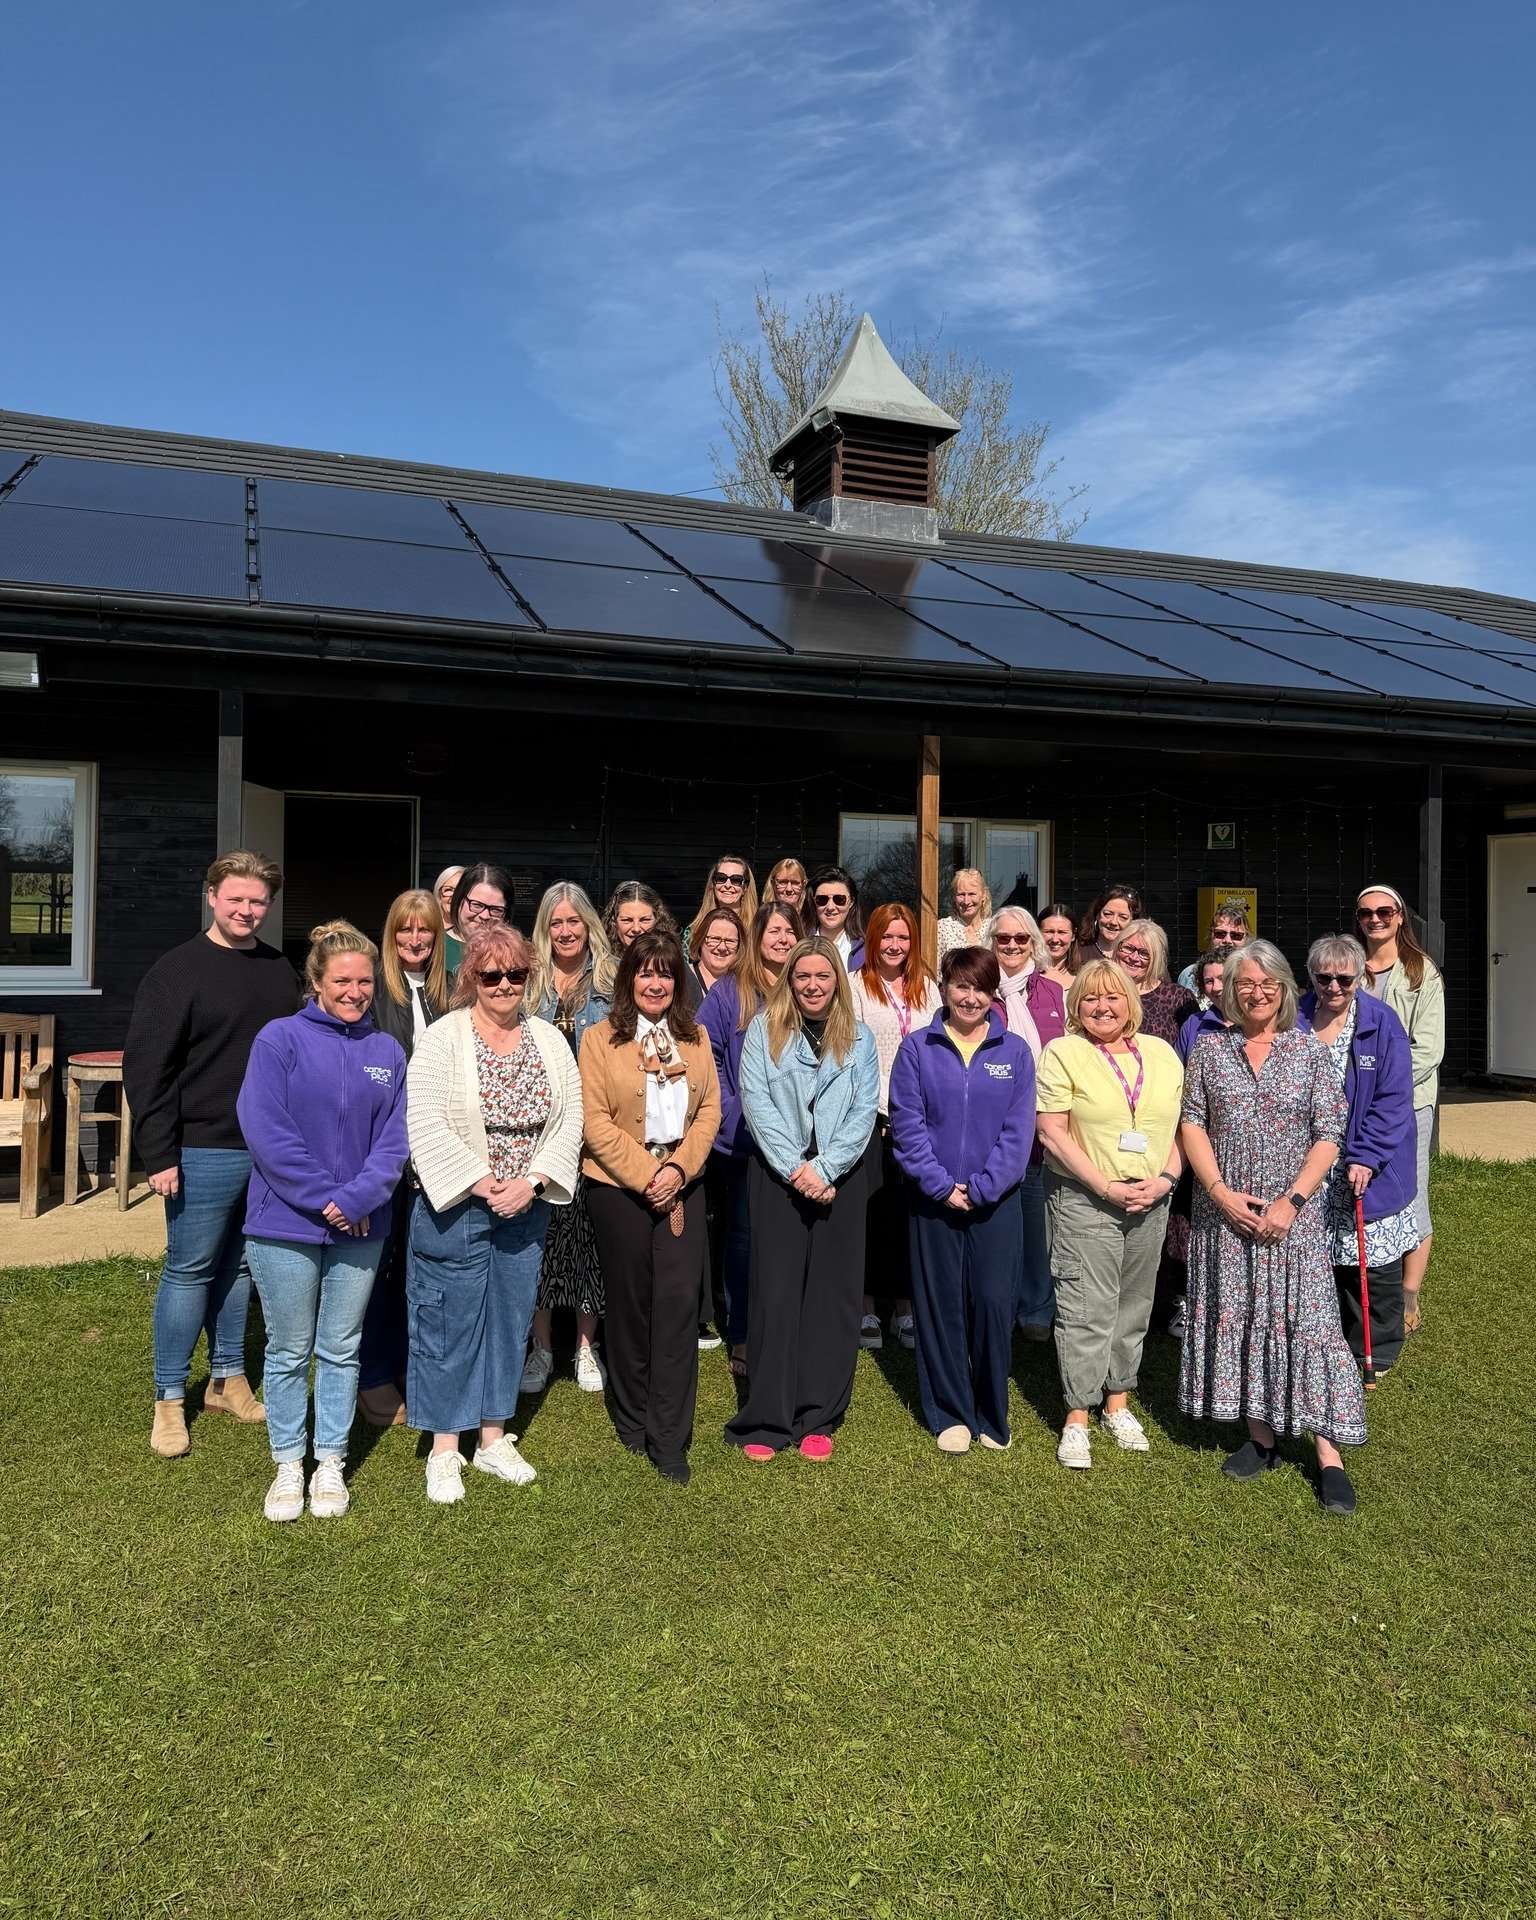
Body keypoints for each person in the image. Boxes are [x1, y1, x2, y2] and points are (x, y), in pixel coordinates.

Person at [125, 849, 301, 1460]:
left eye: (258, 901)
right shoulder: (177, 971)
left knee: (241, 1268)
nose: (247, 910)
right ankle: (169, 1397)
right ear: (212, 897)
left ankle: (227, 1380)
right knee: (189, 1271)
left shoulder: (281, 971)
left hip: (267, 1150)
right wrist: (159, 1153)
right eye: (237, 899)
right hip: (201, 1147)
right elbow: (148, 1068)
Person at [1178, 940, 1363, 1515]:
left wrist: (1292, 1201)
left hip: (1294, 1216)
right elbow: (1192, 1126)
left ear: (1284, 991)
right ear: (1228, 991)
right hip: (1224, 1211)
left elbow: (1328, 1135)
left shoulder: (1309, 1051)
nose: (1256, 994)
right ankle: (1261, 1438)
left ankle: (1328, 1454)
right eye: (1245, 984)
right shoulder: (1209, 1051)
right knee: (1242, 1315)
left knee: (1308, 1321)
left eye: (1268, 984)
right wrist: (1219, 1194)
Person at [404, 923, 584, 1505]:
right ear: (471, 977)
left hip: (525, 1206)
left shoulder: (550, 1041)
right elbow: (424, 1119)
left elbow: (569, 1120)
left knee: (508, 1322)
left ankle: (493, 1437)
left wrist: (532, 1182)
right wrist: (482, 1181)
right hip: (458, 1205)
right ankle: (444, 1448)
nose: (504, 984)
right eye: (491, 974)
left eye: (516, 974)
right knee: (449, 1324)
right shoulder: (441, 1038)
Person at [236, 923, 409, 1521]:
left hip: (361, 1226)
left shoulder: (387, 1052)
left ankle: (329, 1460)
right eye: (343, 981)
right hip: (283, 1223)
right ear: (315, 982)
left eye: (365, 981)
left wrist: (358, 1198)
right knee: (288, 1348)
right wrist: (326, 1197)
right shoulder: (278, 1040)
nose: (355, 991)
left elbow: (396, 1138)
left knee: (340, 1347)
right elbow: (265, 1129)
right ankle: (289, 1462)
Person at [727, 938, 879, 1462]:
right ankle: (768, 1416)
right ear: (789, 981)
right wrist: (797, 1168)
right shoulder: (762, 1036)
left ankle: (819, 1413)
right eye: (802, 977)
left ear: (838, 979)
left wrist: (826, 1167)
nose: (813, 986)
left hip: (841, 1175)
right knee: (775, 1293)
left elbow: (864, 1111)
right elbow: (758, 1104)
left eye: (823, 976)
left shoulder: (859, 1039)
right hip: (777, 1173)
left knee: (831, 1298)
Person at [580, 932, 721, 1486]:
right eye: (645, 973)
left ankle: (669, 1434)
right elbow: (595, 1122)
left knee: (680, 1301)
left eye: (665, 974)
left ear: (677, 982)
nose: (655, 983)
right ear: (628, 980)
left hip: (682, 1181)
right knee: (632, 1302)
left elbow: (709, 1108)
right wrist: (646, 1175)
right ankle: (633, 1416)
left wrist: (678, 1171)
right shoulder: (598, 1039)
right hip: (617, 1186)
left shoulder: (697, 1037)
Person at [1035, 957, 1184, 1470]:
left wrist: (1165, 1180)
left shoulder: (1162, 1053)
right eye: (1091, 998)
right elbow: (1051, 1130)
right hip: (1085, 1196)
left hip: (1151, 1197)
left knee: (1135, 1302)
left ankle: (1118, 1400)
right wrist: (1104, 1186)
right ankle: (1078, 1412)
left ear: (1131, 1002)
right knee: (1086, 1304)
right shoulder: (1064, 1051)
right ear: (1076, 1006)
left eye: (1113, 996)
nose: (1103, 1007)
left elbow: (1182, 1127)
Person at [889, 947, 1037, 1453]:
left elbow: (1018, 1133)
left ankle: (991, 1413)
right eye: (961, 986)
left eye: (980, 987)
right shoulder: (917, 1048)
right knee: (940, 1305)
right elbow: (907, 1126)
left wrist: (982, 1188)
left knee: (994, 1305)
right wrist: (939, 1186)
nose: (970, 997)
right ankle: (950, 1412)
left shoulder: (1015, 1051)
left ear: (993, 992)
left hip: (996, 1202)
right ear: (945, 989)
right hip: (933, 1201)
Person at [1298, 935, 1418, 1376]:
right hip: (1310, 1159)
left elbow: (1393, 1099)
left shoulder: (1381, 1022)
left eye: (1343, 978)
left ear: (1358, 977)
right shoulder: (1294, 1017)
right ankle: (1329, 1335)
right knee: (1324, 1253)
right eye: (1323, 977)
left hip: (1365, 1159)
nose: (1333, 986)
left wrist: (1366, 1156)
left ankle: (1379, 1344)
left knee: (1372, 1257)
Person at [356, 888, 450, 1427]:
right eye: (404, 931)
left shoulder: (446, 995)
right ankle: (372, 1376)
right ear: (390, 937)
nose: (414, 940)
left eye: (425, 931)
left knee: (416, 1266)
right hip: (385, 1149)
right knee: (379, 1264)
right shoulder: (375, 993)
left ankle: (408, 1366)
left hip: (433, 1152)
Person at [698, 901, 803, 1376]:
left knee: (788, 1235)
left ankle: (786, 1326)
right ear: (757, 937)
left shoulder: (807, 988)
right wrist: (737, 1112)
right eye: (773, 931)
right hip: (742, 1139)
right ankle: (741, 1333)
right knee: (742, 1234)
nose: (782, 939)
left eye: (789, 931)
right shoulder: (728, 994)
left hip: (800, 1141)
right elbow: (709, 1059)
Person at [521, 883, 616, 1396]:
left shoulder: (611, 979)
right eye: (555, 923)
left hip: (594, 1130)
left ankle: (585, 1346)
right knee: (539, 1239)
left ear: (587, 925)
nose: (564, 931)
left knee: (589, 1241)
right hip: (536, 1131)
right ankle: (541, 1348)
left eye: (573, 922)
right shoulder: (528, 980)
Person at [848, 903, 942, 1350]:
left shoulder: (928, 989)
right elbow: (849, 1056)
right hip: (872, 1119)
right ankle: (867, 1308)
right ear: (873, 939)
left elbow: (941, 1048)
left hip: (922, 1121)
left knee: (911, 1214)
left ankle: (904, 1308)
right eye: (887, 936)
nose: (895, 945)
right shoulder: (855, 987)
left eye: (903, 938)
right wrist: (879, 1112)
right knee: (870, 1213)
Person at [1356, 884, 1445, 1335]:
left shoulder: (1421, 972)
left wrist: (1377, 1083)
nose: (1376, 919)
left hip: (1410, 1104)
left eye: (1385, 911)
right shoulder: (1348, 969)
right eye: (1367, 912)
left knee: (1412, 1194)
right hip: (1354, 1105)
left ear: (1400, 916)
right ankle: (1362, 1287)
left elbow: (1428, 1049)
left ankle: (1408, 1296)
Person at [988, 907, 1067, 1340]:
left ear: (1033, 942)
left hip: (1043, 1129)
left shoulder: (1053, 995)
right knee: (996, 1222)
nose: (1013, 946)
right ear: (991, 944)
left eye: (1021, 939)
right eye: (1004, 939)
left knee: (1038, 1223)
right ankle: (997, 1303)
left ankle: (1037, 1306)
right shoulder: (980, 992)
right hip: (994, 1130)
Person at [1110, 919, 1198, 1044]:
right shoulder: (1099, 989)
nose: (1134, 958)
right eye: (1128, 948)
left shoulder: (1178, 998)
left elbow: (1192, 1046)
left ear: (1156, 958)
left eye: (1144, 953)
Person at [447, 864, 517, 981]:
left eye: (496, 910)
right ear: (459, 900)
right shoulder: (434, 949)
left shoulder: (515, 953)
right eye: (477, 905)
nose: (485, 916)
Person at [682, 856, 758, 950]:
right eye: (721, 878)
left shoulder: (757, 929)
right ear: (713, 884)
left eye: (736, 880)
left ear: (745, 887)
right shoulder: (694, 930)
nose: (727, 885)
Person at [1176, 901, 1250, 992]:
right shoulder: (1189, 975)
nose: (1227, 940)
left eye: (1236, 935)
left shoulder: (1254, 974)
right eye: (1220, 933)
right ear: (1210, 935)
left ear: (1246, 939)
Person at [1177, 949, 1232, 1064]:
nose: (1216, 987)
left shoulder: (1257, 1022)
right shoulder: (1193, 1025)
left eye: (1222, 978)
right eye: (1209, 981)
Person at [807, 864, 865, 970]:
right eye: (822, 900)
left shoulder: (865, 952)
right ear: (814, 901)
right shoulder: (800, 944)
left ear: (851, 901)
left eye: (839, 899)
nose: (830, 907)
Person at [686, 906, 744, 1005]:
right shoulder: (682, 978)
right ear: (700, 940)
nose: (722, 947)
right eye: (715, 939)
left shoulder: (745, 984)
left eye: (730, 941)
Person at [601, 880, 677, 953]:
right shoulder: (597, 963)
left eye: (645, 920)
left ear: (657, 919)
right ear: (613, 921)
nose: (636, 929)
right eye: (627, 920)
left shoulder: (672, 961)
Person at [1077, 884, 1144, 964]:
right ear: (1097, 915)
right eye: (1108, 914)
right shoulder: (1077, 952)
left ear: (1133, 921)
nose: (1113, 922)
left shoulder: (1139, 957)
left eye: (1123, 917)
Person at [936, 868, 994, 957]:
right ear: (954, 897)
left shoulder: (993, 928)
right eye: (961, 894)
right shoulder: (942, 928)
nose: (966, 901)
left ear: (984, 895)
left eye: (972, 894)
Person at [1039, 903, 1080, 990]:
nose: (1055, 939)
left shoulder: (1083, 977)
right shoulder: (1026, 974)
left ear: (1073, 935)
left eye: (1062, 932)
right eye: (1049, 931)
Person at [435, 866, 467, 972]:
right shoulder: (430, 932)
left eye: (460, 890)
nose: (454, 896)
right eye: (448, 890)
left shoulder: (476, 935)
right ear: (439, 894)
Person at [766, 857, 809, 921]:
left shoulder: (811, 920)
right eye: (783, 882)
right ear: (773, 884)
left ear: (803, 885)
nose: (789, 889)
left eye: (795, 883)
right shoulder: (763, 917)